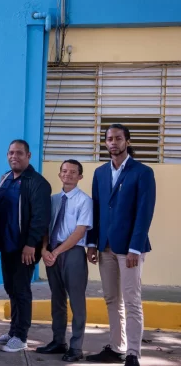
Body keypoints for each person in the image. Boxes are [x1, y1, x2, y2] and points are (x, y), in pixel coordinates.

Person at [86, 124, 156, 366]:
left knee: (131, 299)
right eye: (109, 139)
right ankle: (117, 347)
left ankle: (133, 353)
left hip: (129, 249)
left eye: (118, 138)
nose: (113, 143)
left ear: (127, 140)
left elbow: (144, 212)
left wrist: (135, 247)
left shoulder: (142, 172)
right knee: (111, 299)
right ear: (105, 143)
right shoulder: (100, 172)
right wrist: (92, 243)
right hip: (104, 246)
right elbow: (95, 209)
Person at [0, 139, 51, 353]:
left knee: (22, 291)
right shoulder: (5, 178)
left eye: (19, 153)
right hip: (6, 246)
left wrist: (30, 244)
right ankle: (13, 330)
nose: (14, 156)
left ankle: (21, 336)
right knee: (11, 289)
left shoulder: (37, 182)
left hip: (25, 248)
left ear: (28, 156)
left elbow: (40, 218)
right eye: (11, 153)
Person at [36, 159, 92, 362]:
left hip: (73, 253)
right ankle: (58, 341)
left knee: (77, 301)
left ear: (80, 177)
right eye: (64, 171)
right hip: (51, 252)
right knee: (57, 299)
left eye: (73, 172)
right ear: (59, 174)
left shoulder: (84, 201)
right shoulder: (53, 200)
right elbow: (45, 227)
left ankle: (76, 347)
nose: (68, 174)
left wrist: (57, 251)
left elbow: (79, 232)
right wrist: (44, 249)